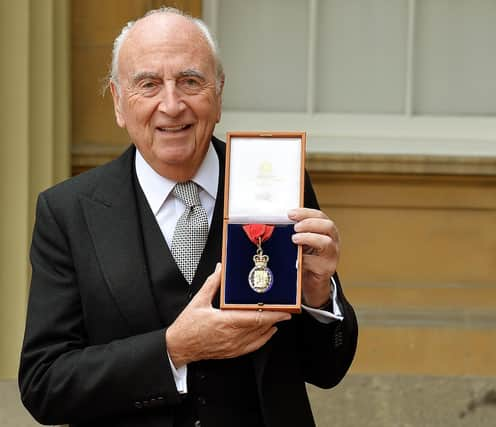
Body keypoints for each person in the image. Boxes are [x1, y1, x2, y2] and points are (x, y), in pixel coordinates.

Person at [19, 7, 357, 427]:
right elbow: (45, 383)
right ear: (119, 103)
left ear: (218, 93)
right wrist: (172, 349)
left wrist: (319, 295)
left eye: (190, 81)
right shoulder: (68, 212)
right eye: (148, 84)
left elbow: (327, 370)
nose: (172, 104)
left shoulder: (276, 181)